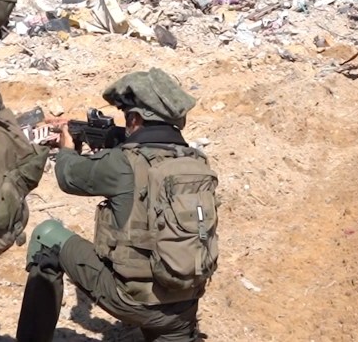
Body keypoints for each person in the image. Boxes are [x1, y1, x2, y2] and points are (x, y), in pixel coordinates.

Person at [18, 68, 216, 342]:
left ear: (135, 118)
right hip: (184, 306)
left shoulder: (123, 163)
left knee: (47, 237)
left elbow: (68, 177)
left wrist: (66, 147)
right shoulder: (197, 163)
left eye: (127, 117)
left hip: (134, 302)